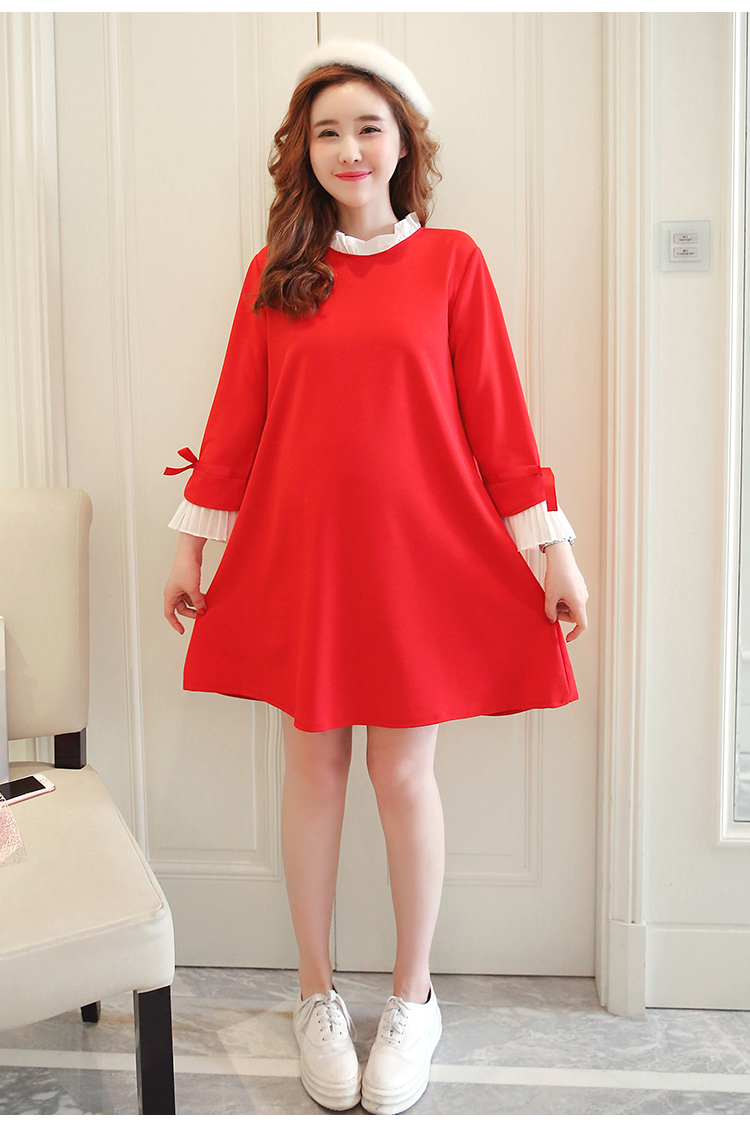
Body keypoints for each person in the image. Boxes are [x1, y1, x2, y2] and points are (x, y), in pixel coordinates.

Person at [163, 39, 588, 1116]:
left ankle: (412, 998)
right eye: (327, 132)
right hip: (308, 559)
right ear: (302, 153)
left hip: (420, 560)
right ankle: (315, 994)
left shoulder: (452, 264)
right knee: (315, 768)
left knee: (404, 775)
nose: (349, 149)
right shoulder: (275, 275)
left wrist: (553, 550)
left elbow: (499, 422)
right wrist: (191, 544)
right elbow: (236, 421)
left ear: (404, 145)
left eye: (368, 128)